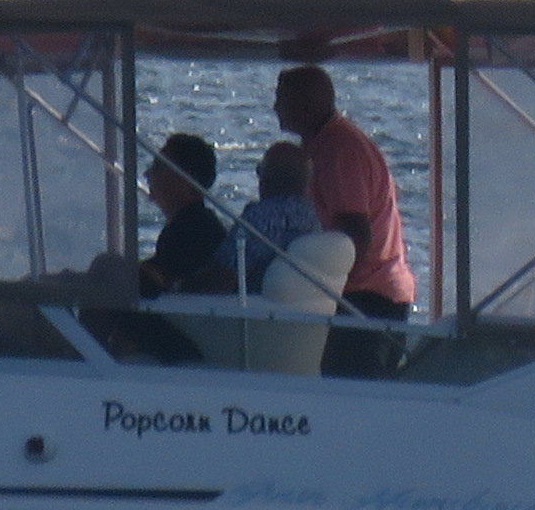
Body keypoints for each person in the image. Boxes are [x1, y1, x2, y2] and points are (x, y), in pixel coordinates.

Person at [271, 63, 419, 319]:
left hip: (367, 295)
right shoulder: (322, 143)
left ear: (306, 105)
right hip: (360, 291)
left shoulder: (338, 149)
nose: (275, 108)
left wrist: (331, 291)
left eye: (281, 100)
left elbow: (354, 233)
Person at [234, 139, 356, 306]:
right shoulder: (312, 218)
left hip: (250, 311)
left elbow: (221, 277)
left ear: (266, 177)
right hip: (303, 316)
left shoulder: (259, 217)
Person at [138, 130, 243, 296]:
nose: (147, 174)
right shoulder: (191, 223)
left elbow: (160, 279)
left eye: (158, 166)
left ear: (184, 179)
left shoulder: (195, 231)